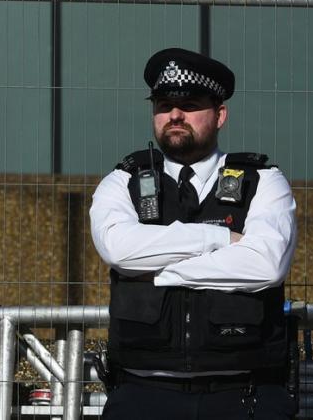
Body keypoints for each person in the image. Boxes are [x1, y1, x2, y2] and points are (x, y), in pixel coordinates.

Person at [89, 47, 298, 420]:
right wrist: (216, 240)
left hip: (244, 396)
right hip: (141, 395)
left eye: (189, 104)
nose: (174, 115)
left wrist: (159, 272)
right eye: (163, 104)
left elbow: (266, 265)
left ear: (220, 115)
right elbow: (121, 251)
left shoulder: (263, 181)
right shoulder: (122, 182)